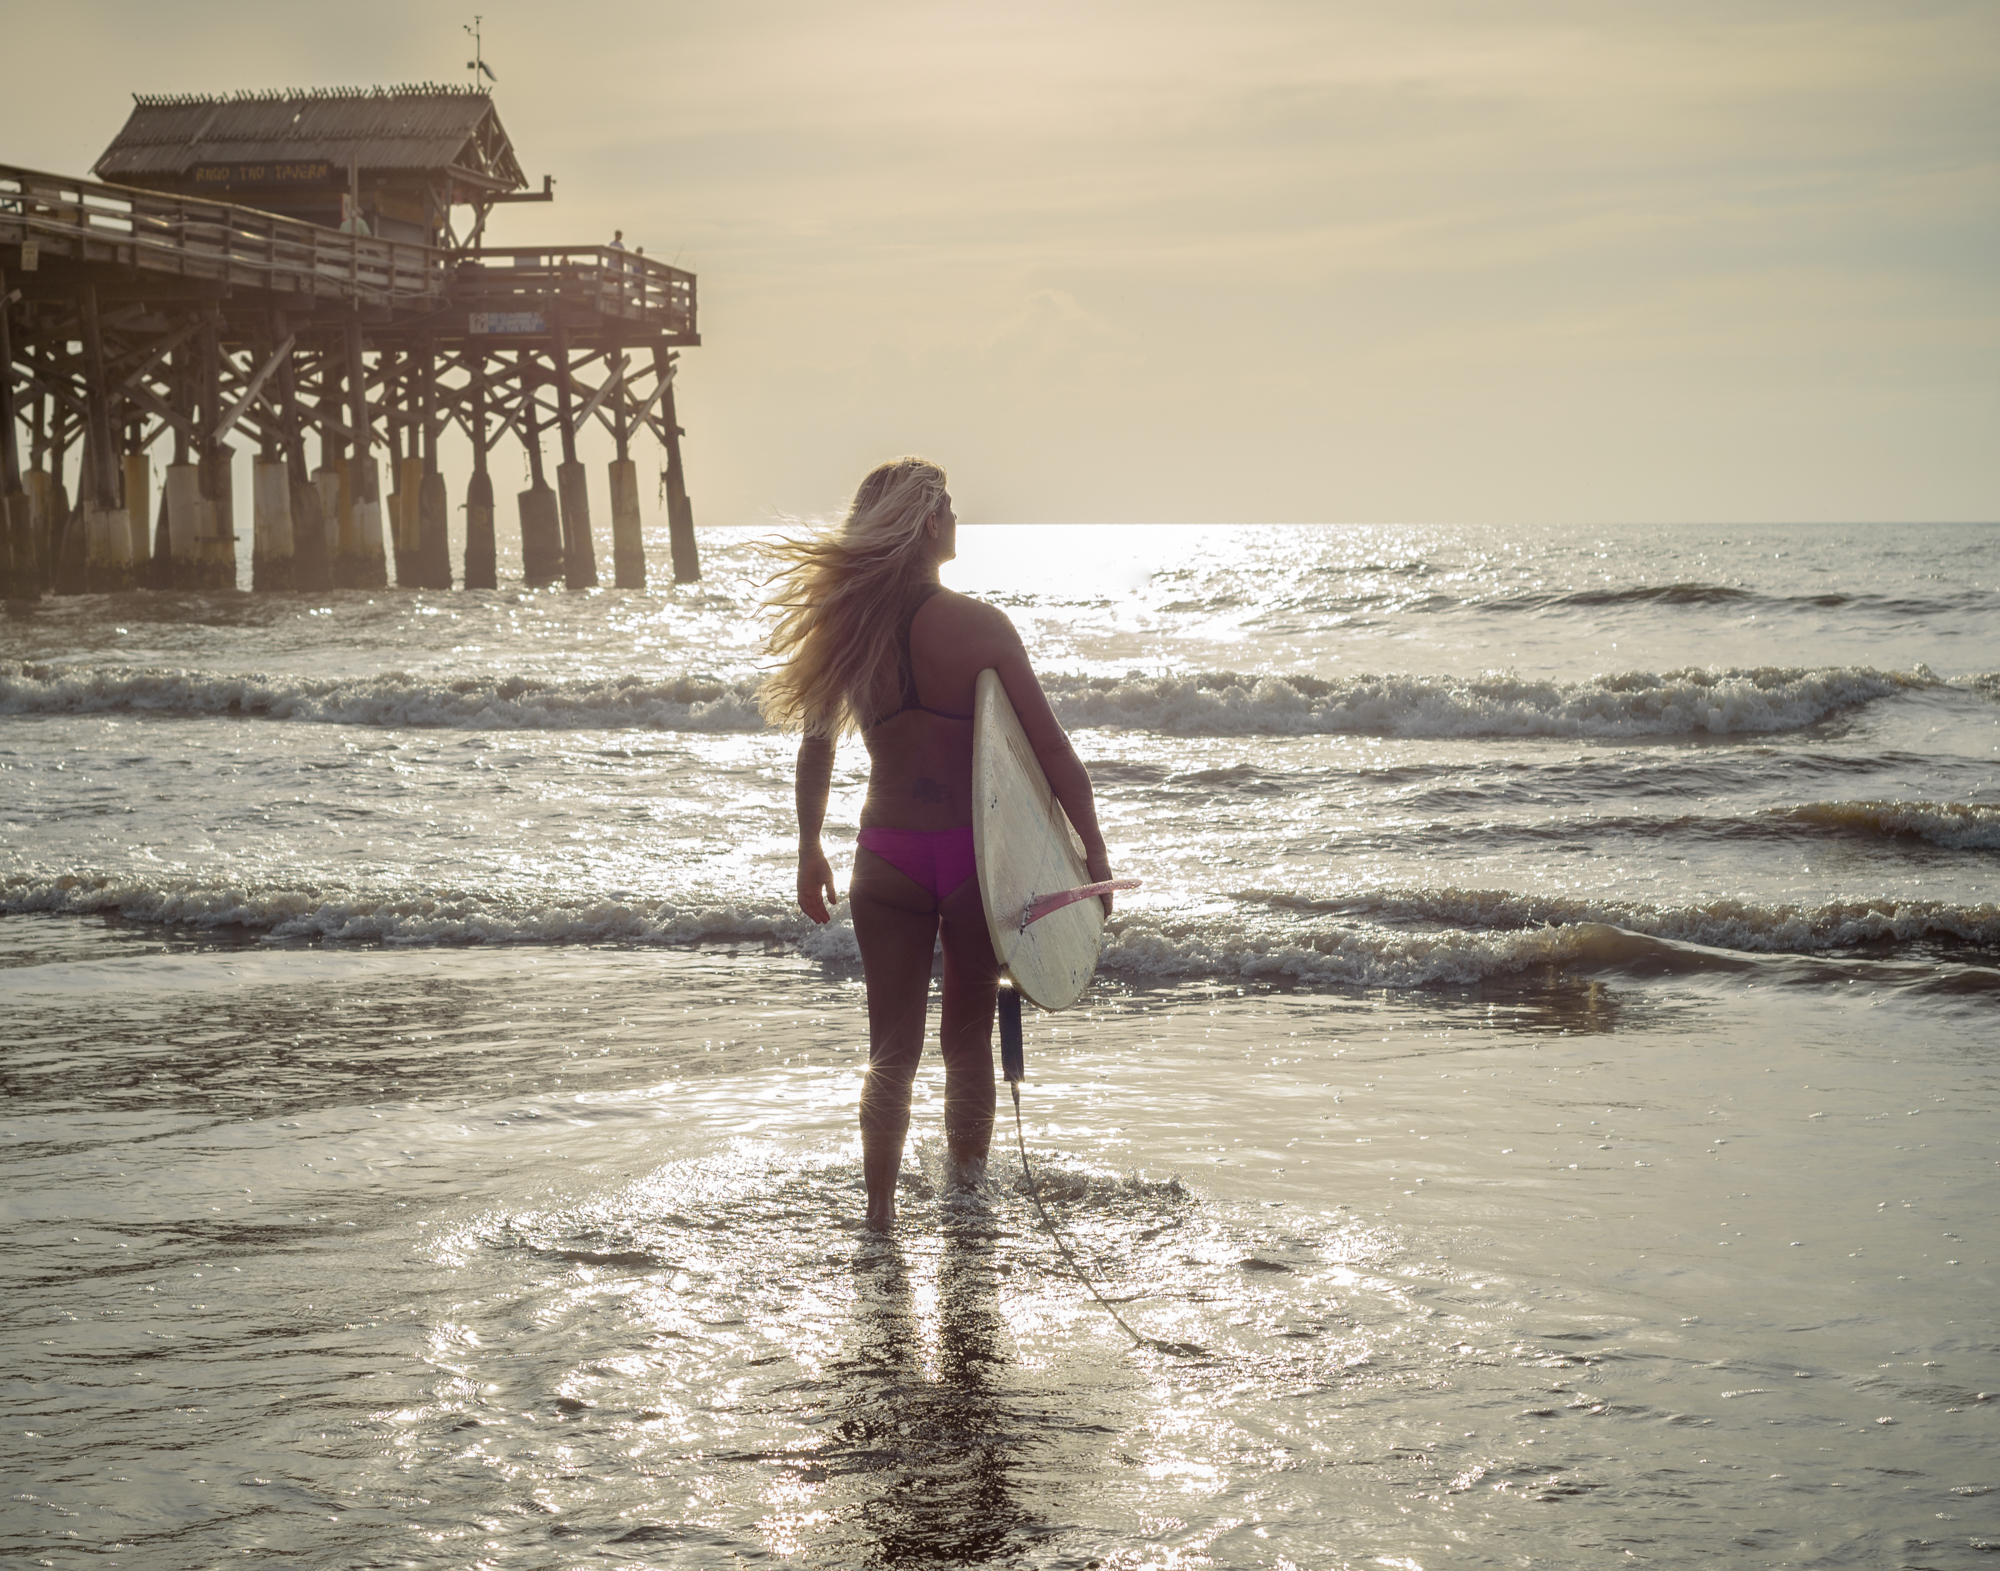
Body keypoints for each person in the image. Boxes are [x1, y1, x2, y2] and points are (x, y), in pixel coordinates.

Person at [763, 458, 1115, 1231]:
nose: (957, 519)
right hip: (970, 863)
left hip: (885, 854)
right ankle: (965, 1204)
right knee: (966, 1044)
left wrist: (809, 846)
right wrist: (1091, 851)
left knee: (889, 1048)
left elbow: (816, 749)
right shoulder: (980, 627)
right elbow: (1052, 751)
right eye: (948, 508)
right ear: (927, 524)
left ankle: (879, 1215)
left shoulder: (847, 628)